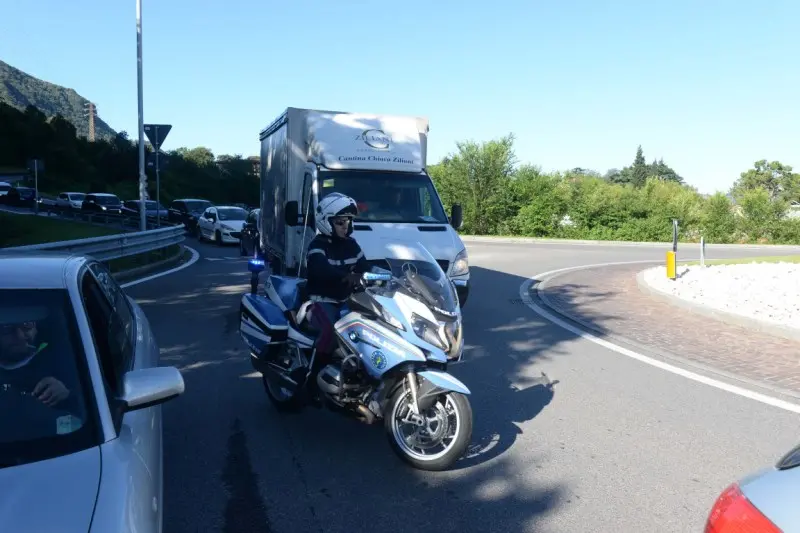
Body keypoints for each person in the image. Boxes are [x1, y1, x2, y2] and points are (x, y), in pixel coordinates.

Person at [303, 192, 368, 404]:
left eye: (348, 221)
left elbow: (365, 266)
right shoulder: (317, 246)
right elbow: (320, 269)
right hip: (321, 300)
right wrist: (345, 277)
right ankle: (311, 382)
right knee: (330, 333)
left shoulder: (352, 244)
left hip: (347, 300)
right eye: (340, 222)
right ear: (326, 222)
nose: (345, 226)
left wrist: (387, 276)